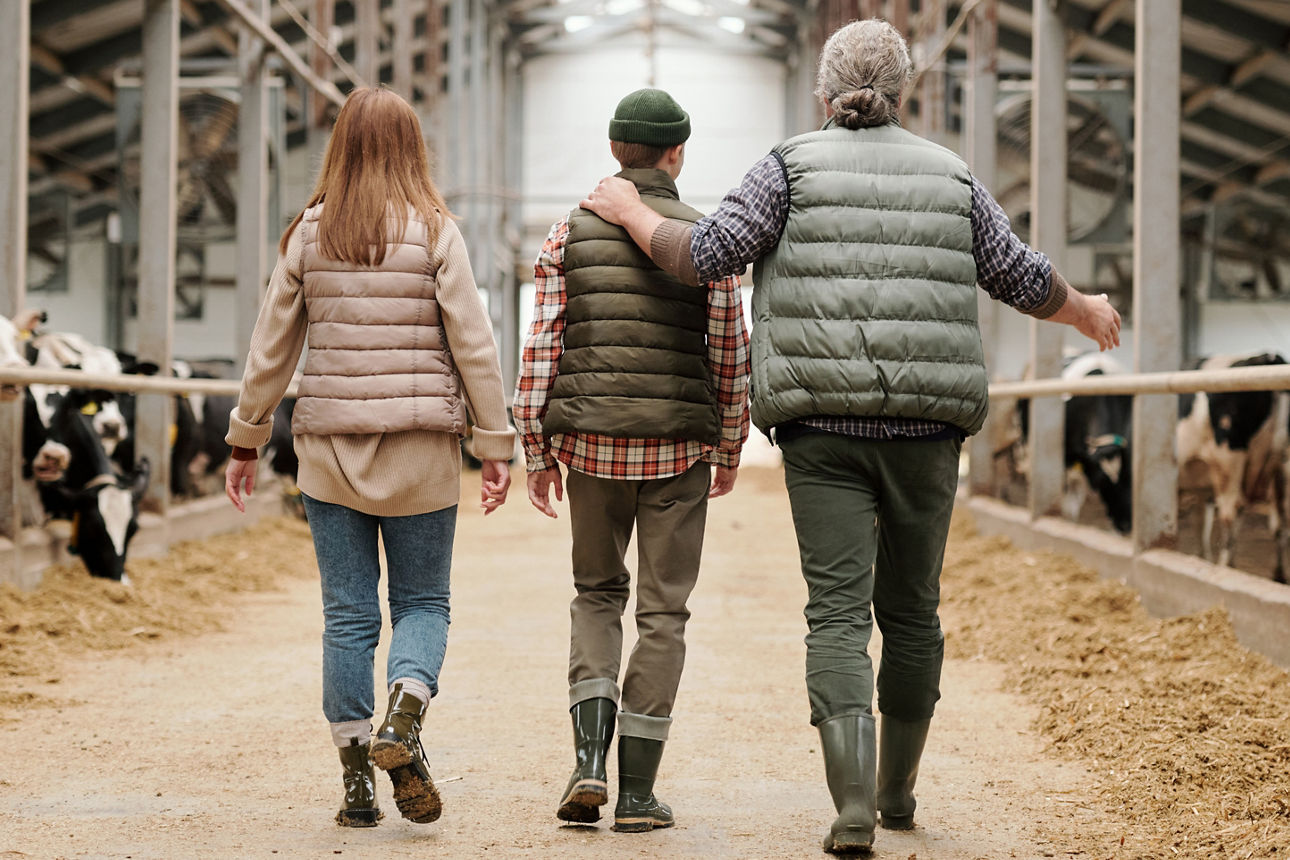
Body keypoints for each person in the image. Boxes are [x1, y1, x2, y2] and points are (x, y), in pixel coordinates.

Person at [581, 20, 1121, 855]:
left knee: (835, 612)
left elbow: (709, 256)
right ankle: (900, 794)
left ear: (825, 95)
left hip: (822, 427)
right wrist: (1083, 309)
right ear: (900, 92)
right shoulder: (952, 174)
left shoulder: (788, 165)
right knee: (912, 613)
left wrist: (626, 209)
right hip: (928, 431)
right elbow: (1015, 271)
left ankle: (853, 806)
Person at [223, 87, 515, 829]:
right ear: (413, 147)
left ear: (340, 146)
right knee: (422, 604)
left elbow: (270, 348)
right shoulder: (436, 231)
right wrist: (495, 444)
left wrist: (245, 438)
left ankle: (357, 789)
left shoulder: (309, 234)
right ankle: (404, 720)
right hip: (421, 450)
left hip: (328, 454)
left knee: (348, 619)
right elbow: (474, 345)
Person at [513, 88, 751, 833]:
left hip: (589, 446)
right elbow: (730, 352)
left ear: (617, 151)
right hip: (678, 448)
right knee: (663, 612)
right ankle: (638, 793)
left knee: (595, 594)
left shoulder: (566, 235)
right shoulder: (705, 241)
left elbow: (542, 346)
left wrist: (534, 446)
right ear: (676, 153)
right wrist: (731, 441)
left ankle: (588, 762)